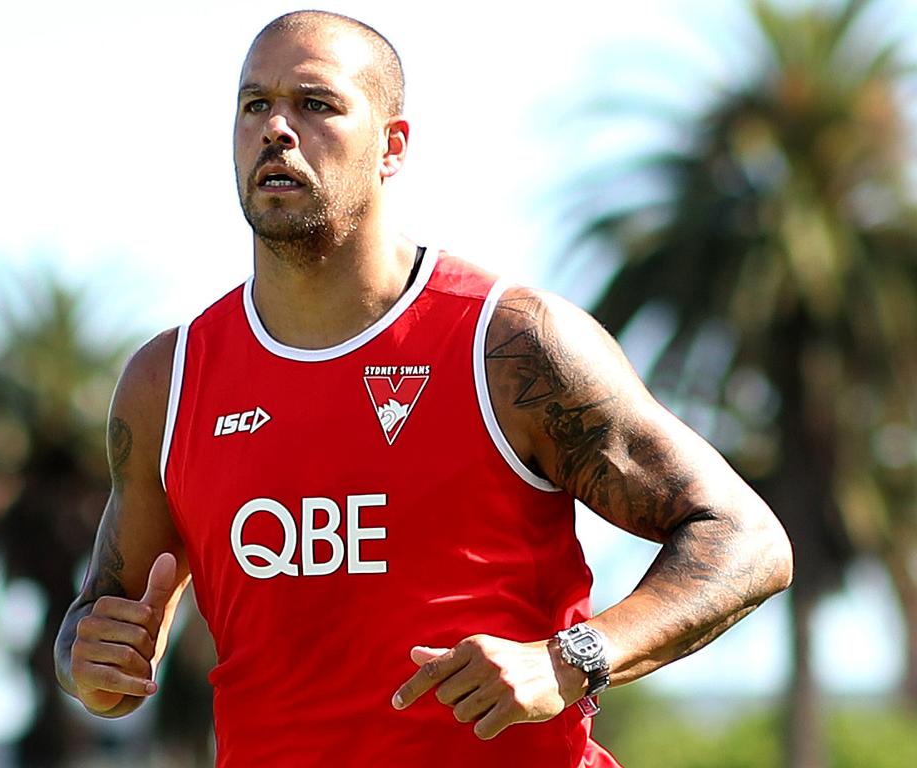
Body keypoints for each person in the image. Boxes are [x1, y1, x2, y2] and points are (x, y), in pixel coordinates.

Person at [54, 10, 794, 767]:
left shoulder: (508, 344)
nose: (277, 128)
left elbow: (746, 540)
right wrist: (89, 659)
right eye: (255, 105)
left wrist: (573, 659)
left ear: (391, 147)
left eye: (315, 103)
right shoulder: (167, 383)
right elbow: (103, 642)